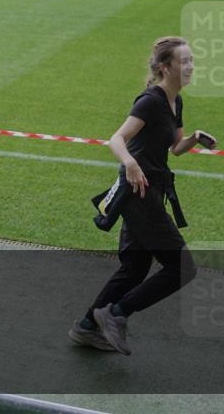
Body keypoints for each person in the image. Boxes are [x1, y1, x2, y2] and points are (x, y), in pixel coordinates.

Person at [71, 36, 215, 355]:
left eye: (192, 60)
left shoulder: (176, 101)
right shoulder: (150, 100)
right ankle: (117, 313)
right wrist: (130, 163)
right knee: (182, 268)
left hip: (151, 191)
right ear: (165, 67)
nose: (191, 66)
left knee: (134, 268)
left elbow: (175, 147)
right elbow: (117, 139)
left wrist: (194, 138)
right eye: (185, 61)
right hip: (138, 193)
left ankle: (87, 327)